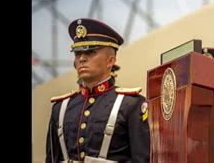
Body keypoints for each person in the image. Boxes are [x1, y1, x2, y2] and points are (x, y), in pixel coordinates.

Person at [46, 18, 150, 162]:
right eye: (77, 53)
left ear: (110, 61)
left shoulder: (130, 105)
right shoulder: (60, 109)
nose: (82, 58)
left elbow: (142, 159)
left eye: (90, 53)